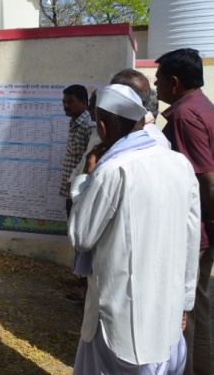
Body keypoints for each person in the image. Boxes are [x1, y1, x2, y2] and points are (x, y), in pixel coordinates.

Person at [69, 84, 200, 374]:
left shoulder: (113, 170)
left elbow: (81, 235)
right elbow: (191, 240)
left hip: (120, 319)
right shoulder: (180, 164)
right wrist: (185, 301)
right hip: (166, 312)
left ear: (102, 126)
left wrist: (85, 178)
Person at [154, 48, 214, 375]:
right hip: (206, 228)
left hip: (198, 232)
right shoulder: (205, 107)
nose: (155, 82)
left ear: (174, 82)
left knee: (183, 310)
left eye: (159, 77)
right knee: (201, 307)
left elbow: (206, 179)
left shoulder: (184, 116)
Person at [60, 84, 95, 217]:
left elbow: (94, 161)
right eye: (64, 102)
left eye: (70, 102)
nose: (66, 105)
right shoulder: (74, 123)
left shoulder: (89, 125)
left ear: (83, 102)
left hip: (82, 192)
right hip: (71, 191)